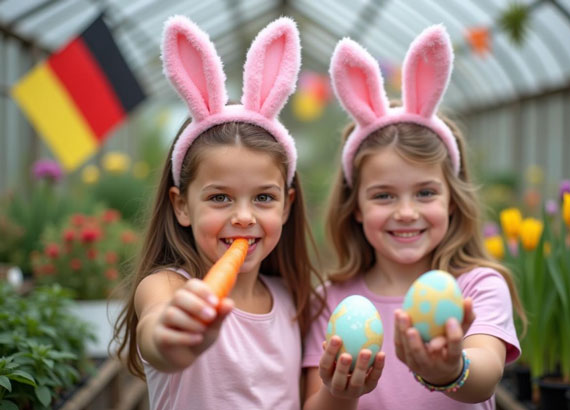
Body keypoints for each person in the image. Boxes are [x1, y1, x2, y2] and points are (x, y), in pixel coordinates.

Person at [303, 25, 526, 410]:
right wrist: (341, 392)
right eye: (384, 195)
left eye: (425, 193)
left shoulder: (477, 287)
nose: (406, 213)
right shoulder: (329, 301)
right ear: (355, 207)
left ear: (451, 201)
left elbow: (485, 378)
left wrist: (450, 371)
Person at [112, 15, 324, 410]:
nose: (244, 217)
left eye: (263, 198)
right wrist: (175, 334)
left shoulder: (293, 300)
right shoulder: (169, 289)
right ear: (181, 206)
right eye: (220, 198)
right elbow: (159, 335)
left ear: (287, 205)